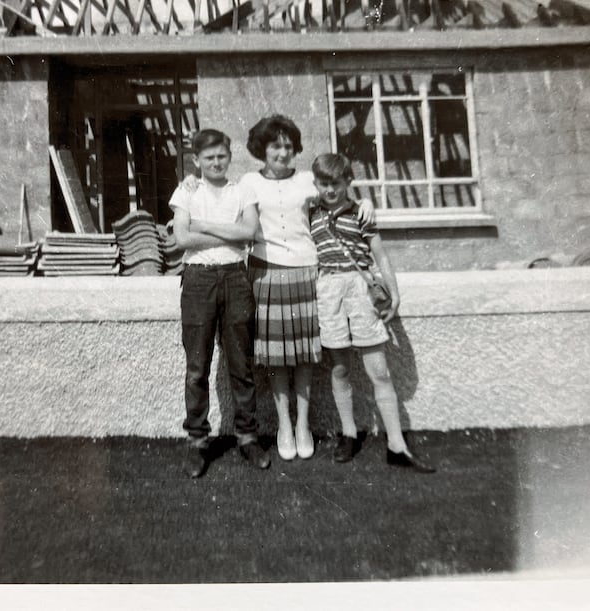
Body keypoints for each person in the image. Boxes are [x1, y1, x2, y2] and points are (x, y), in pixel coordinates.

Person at [239, 115, 374, 461]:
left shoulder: (307, 182)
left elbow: (338, 195)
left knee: (303, 355)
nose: (283, 152)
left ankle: (303, 425)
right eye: (275, 146)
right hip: (266, 275)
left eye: (288, 145)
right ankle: (285, 424)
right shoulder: (249, 182)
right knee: (276, 357)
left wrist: (366, 204)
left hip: (305, 272)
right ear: (262, 150)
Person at [308, 152, 435, 473]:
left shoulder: (361, 213)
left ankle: (396, 444)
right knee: (339, 368)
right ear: (316, 184)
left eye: (336, 183)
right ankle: (349, 434)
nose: (330, 190)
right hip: (328, 288)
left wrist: (394, 293)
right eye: (324, 184)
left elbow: (380, 254)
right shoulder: (309, 210)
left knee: (378, 369)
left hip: (360, 289)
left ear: (348, 182)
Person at [170, 128, 271, 478]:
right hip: (198, 280)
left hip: (235, 278)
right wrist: (225, 229)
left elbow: (249, 233)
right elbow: (182, 238)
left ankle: (247, 437)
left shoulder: (241, 189)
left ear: (230, 157)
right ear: (196, 160)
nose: (216, 162)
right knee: (196, 367)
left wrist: (205, 226)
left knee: (241, 365)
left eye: (222, 156)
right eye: (208, 157)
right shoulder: (186, 191)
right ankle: (198, 442)